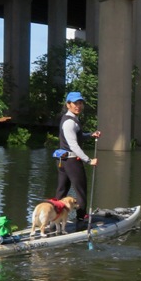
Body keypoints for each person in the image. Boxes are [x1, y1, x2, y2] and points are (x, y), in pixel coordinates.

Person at [54, 91, 101, 230]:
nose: (78, 106)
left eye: (80, 103)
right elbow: (73, 145)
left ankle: (54, 220)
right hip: (72, 161)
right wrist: (89, 160)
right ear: (68, 105)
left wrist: (90, 135)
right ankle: (81, 220)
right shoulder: (70, 122)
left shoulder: (70, 119)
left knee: (61, 191)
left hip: (62, 160)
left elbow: (76, 138)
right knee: (81, 191)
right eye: (75, 103)